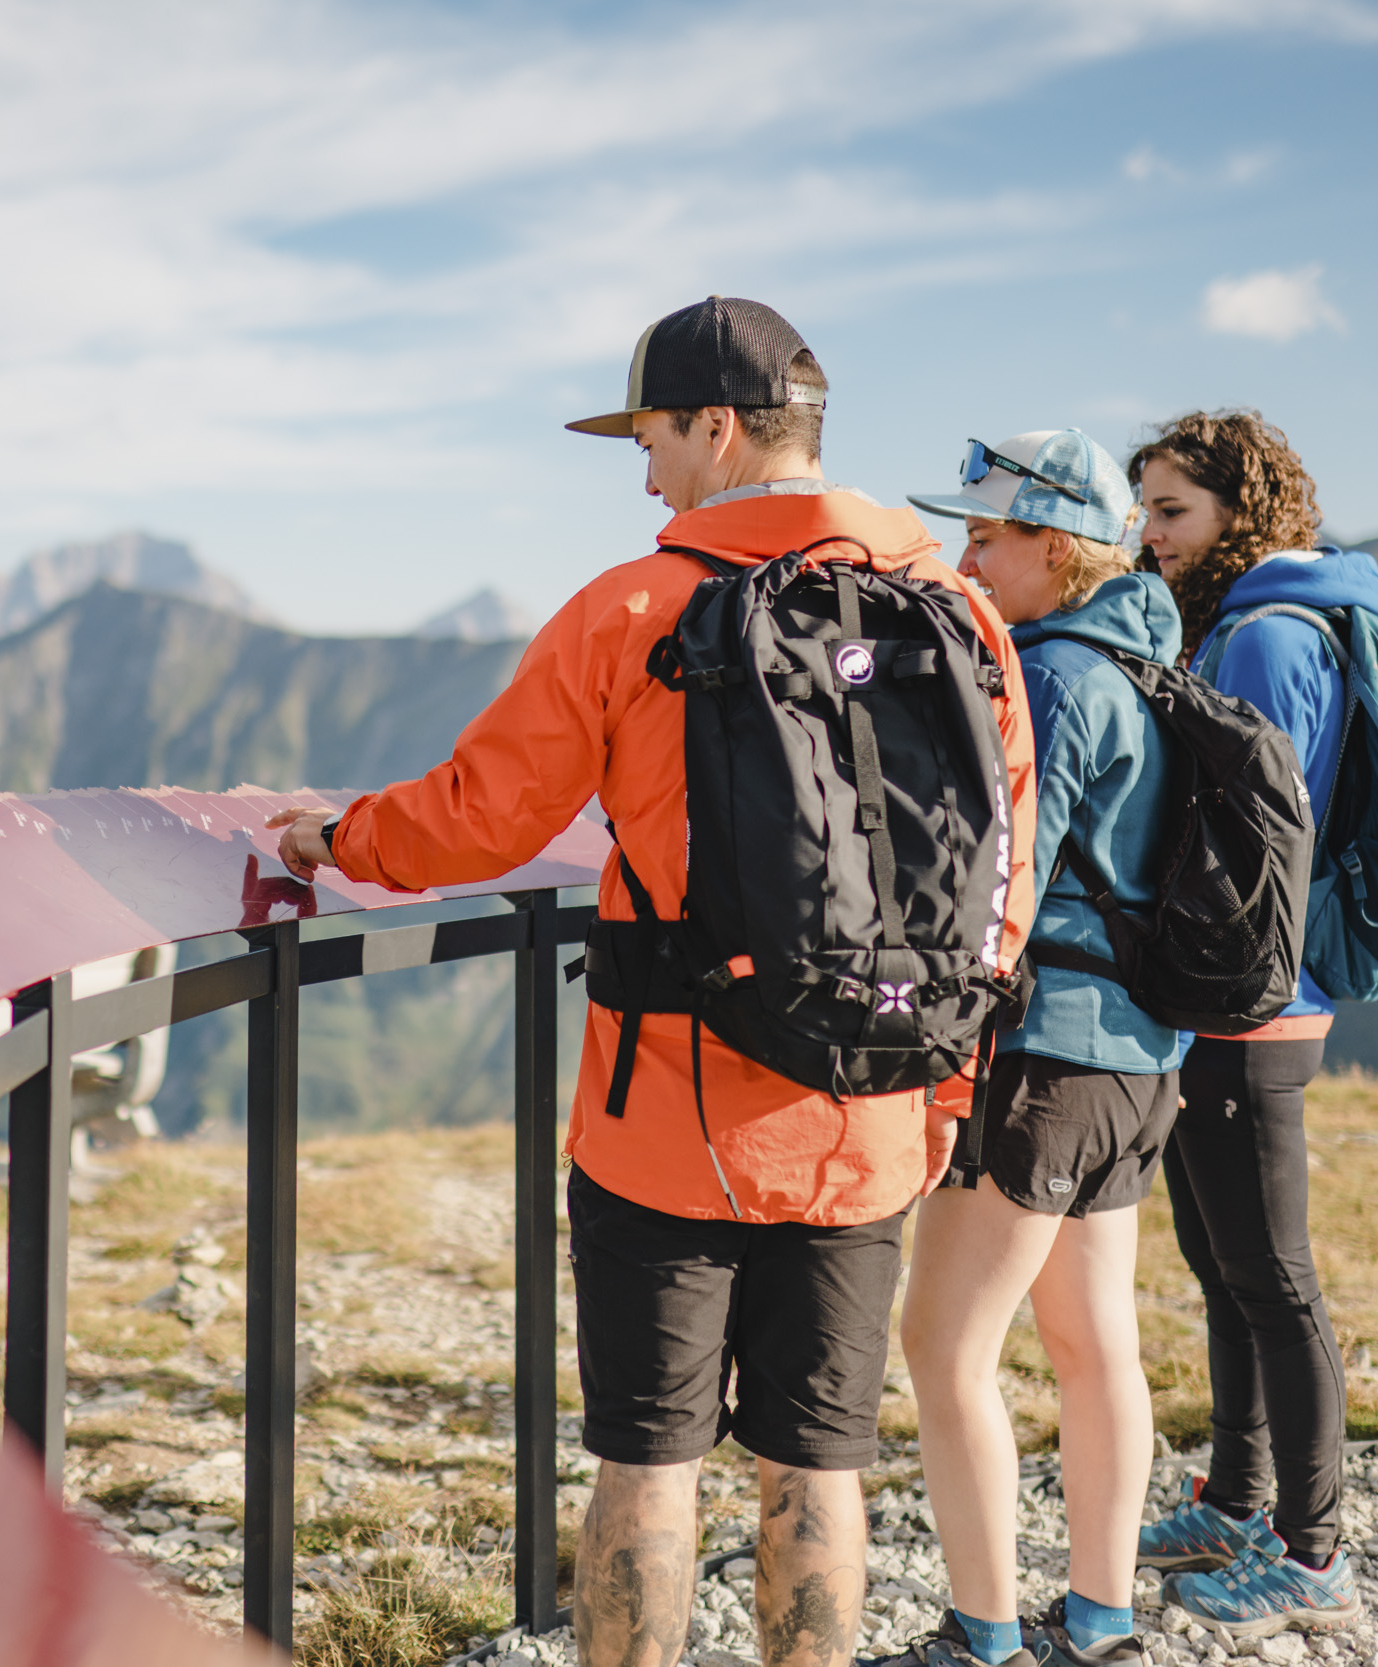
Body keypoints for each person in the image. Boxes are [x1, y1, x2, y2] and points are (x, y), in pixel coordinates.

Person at [267, 296, 1037, 1667]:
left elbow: (481, 816)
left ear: (719, 426)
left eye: (652, 440)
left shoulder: (633, 607)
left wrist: (337, 839)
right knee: (819, 1461)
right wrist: (937, 1079)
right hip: (867, 1113)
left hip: (666, 1123)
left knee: (649, 1457)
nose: (646, 478)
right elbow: (1005, 871)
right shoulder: (961, 610)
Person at [872, 434, 1182, 1667]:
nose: (966, 560)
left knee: (944, 1344)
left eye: (986, 537)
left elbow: (997, 888)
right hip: (1136, 1057)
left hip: (1041, 1054)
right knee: (1093, 1342)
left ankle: (983, 1635)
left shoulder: (1048, 676)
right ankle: (1099, 1621)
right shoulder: (1149, 662)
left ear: (1054, 546)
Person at [1125, 411, 1369, 1646]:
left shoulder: (1267, 636)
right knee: (1225, 1267)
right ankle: (1233, 1502)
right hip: (1230, 990)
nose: (1150, 533)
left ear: (1240, 508)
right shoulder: (1243, 621)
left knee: (1271, 1277)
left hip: (1251, 995)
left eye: (1172, 510)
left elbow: (1254, 822)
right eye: (1145, 510)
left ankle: (1313, 1552)